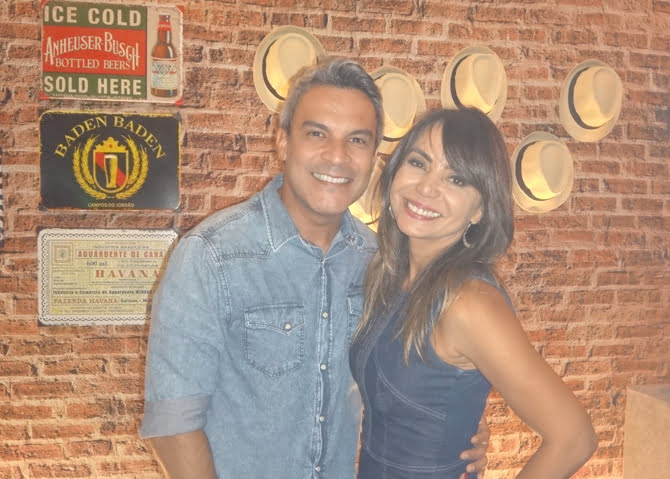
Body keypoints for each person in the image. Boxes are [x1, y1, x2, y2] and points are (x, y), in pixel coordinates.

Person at [140, 57, 489, 479]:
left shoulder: (381, 261)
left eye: (357, 140)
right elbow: (172, 424)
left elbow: (409, 375)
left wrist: (456, 419)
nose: (336, 156)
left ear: (374, 156)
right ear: (283, 141)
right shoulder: (212, 256)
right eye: (317, 133)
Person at [350, 108, 598, 478]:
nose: (427, 187)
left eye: (456, 179)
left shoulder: (469, 303)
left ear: (480, 209)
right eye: (418, 163)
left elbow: (575, 437)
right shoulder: (390, 274)